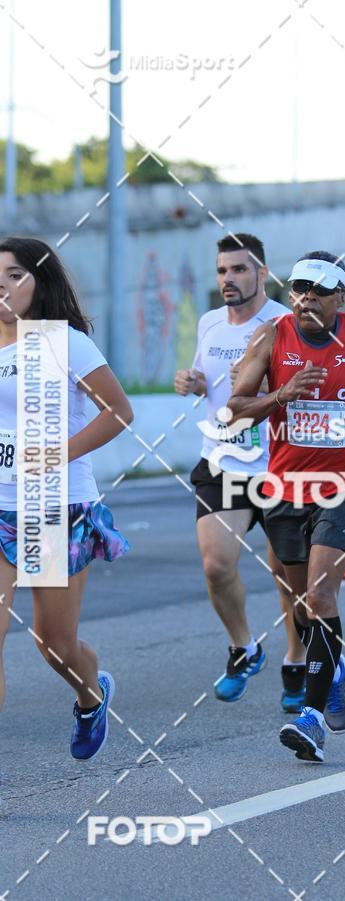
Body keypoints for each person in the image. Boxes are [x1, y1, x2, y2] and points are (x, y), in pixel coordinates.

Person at [229, 250, 345, 762]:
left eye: (318, 289)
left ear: (340, 297)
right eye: (299, 288)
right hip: (285, 488)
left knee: (321, 592)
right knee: (302, 604)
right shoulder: (271, 337)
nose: (306, 296)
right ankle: (331, 670)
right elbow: (236, 409)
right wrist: (281, 394)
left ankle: (309, 719)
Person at [0, 236, 132, 762]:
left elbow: (118, 411)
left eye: (14, 275)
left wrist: (55, 454)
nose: (3, 287)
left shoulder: (62, 343)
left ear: (40, 281)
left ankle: (90, 692)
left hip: (49, 506)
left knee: (54, 644)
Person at [174, 234, 306, 710]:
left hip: (281, 464)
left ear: (262, 274)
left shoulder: (285, 324)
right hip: (223, 457)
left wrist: (266, 384)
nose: (228, 279)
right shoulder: (210, 322)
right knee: (215, 565)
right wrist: (193, 382)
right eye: (222, 271)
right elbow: (205, 378)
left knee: (288, 574)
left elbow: (306, 388)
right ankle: (244, 647)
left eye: (239, 270)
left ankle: (295, 659)